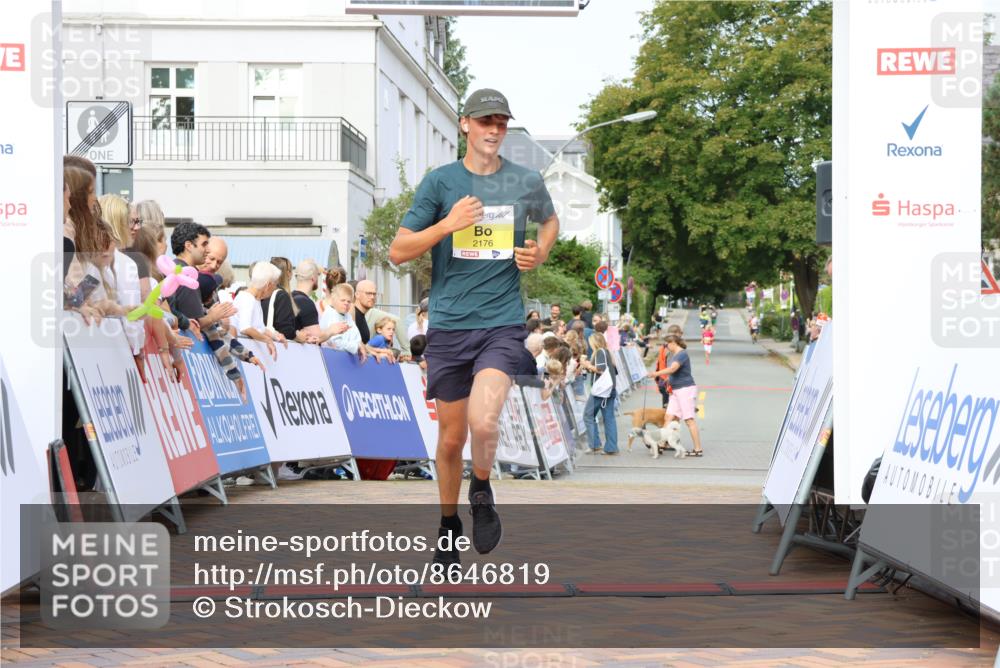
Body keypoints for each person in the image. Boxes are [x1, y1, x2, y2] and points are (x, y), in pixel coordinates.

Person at [388, 87, 559, 563]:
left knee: (484, 424)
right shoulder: (440, 183)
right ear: (465, 125)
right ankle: (447, 526)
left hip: (501, 325)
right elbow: (397, 251)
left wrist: (540, 251)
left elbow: (550, 222)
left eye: (502, 122)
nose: (494, 130)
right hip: (448, 327)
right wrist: (448, 224)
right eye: (486, 121)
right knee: (451, 438)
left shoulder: (524, 181)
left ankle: (481, 490)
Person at [168, 222, 263, 400]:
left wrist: (245, 356)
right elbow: (196, 325)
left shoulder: (184, 274)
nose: (212, 264)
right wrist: (212, 317)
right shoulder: (186, 276)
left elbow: (208, 329)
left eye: (219, 262)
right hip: (177, 369)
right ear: (189, 246)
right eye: (205, 247)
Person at [647, 334, 703, 458]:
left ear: (673, 343)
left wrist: (655, 373)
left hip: (685, 389)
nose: (666, 347)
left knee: (689, 420)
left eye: (667, 345)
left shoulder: (682, 354)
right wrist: (668, 381)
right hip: (676, 391)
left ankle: (698, 449)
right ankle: (661, 444)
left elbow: (673, 369)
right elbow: (674, 373)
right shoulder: (675, 355)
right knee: (668, 416)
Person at [233, 262, 288, 359]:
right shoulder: (247, 299)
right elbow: (245, 328)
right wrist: (267, 340)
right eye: (275, 285)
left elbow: (260, 328)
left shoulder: (254, 299)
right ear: (268, 285)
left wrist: (276, 336)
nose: (275, 289)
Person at [581, 332, 618, 455]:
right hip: (610, 388)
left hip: (600, 390)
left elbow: (600, 369)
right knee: (609, 418)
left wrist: (587, 365)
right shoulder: (607, 352)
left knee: (588, 415)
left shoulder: (600, 352)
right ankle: (611, 447)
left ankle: (595, 444)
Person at [317, 282, 366, 361]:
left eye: (349, 301)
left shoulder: (348, 316)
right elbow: (335, 343)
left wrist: (358, 344)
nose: (346, 303)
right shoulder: (330, 314)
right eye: (343, 300)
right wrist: (356, 346)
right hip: (329, 357)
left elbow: (356, 336)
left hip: (345, 357)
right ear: (334, 300)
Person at [352, 279, 399, 362]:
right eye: (368, 293)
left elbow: (362, 346)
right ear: (357, 294)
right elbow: (350, 343)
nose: (372, 297)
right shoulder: (352, 313)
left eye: (374, 294)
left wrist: (381, 352)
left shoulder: (361, 316)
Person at [292, 259, 323, 341]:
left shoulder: (288, 298)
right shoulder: (305, 303)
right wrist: (332, 331)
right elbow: (317, 338)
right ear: (313, 278)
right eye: (318, 275)